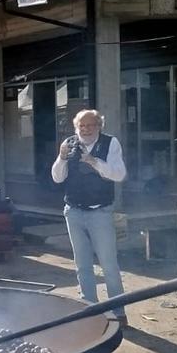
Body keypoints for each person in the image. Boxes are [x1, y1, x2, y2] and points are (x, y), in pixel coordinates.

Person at [50, 109, 127, 318]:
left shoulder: (110, 143)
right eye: (82, 126)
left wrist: (93, 161)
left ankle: (118, 312)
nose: (86, 130)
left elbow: (119, 174)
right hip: (73, 212)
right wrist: (62, 158)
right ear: (76, 127)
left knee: (109, 265)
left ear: (99, 126)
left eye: (91, 125)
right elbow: (57, 177)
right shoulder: (69, 143)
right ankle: (89, 310)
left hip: (100, 212)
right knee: (82, 265)